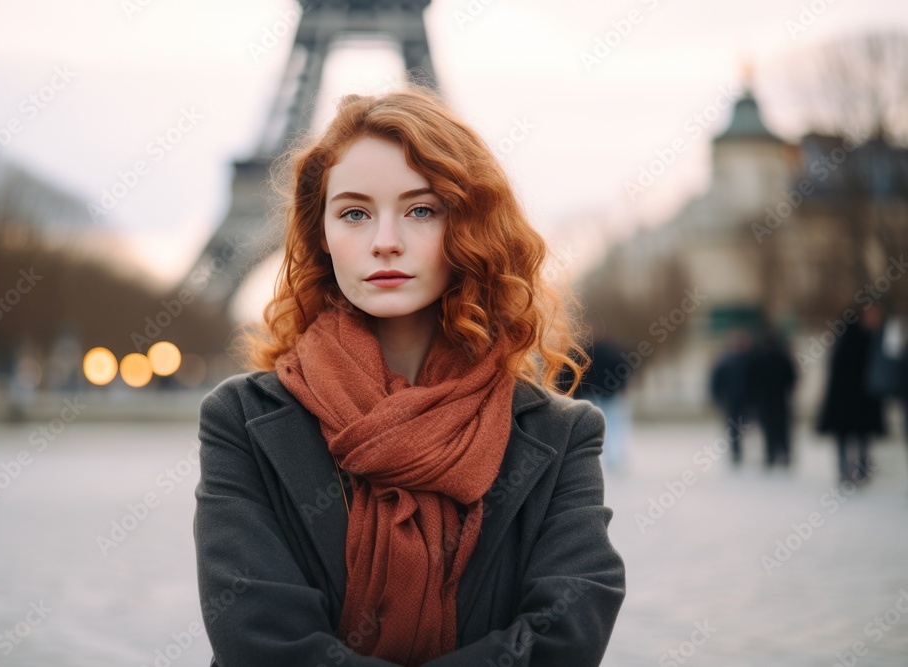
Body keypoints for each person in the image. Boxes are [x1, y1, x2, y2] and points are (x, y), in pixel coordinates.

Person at [193, 86, 626, 667]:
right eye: (354, 213)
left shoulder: (562, 433)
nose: (386, 241)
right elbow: (258, 635)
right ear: (321, 234)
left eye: (422, 209)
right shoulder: (239, 420)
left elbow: (567, 633)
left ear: (470, 228)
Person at [816, 305, 886, 483]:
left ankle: (849, 470)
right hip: (857, 400)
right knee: (856, 435)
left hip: (850, 401)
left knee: (850, 436)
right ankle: (855, 470)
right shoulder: (864, 340)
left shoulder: (846, 338)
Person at [556, 313, 631, 473]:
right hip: (610, 394)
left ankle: (597, 459)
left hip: (593, 395)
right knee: (614, 426)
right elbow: (624, 369)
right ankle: (615, 458)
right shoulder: (613, 350)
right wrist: (621, 389)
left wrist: (570, 394)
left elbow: (570, 374)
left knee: (597, 426)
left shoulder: (583, 351)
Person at [745, 327, 797, 468]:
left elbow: (751, 381)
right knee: (782, 428)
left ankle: (770, 455)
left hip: (764, 401)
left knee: (768, 429)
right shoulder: (783, 357)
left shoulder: (757, 358)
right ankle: (784, 454)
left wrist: (754, 398)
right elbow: (792, 378)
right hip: (779, 399)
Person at [709, 329, 753, 465]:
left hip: (747, 401)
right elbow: (716, 381)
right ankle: (736, 453)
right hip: (731, 401)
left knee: (746, 426)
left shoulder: (751, 361)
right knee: (734, 429)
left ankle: (743, 452)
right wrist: (717, 397)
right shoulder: (725, 362)